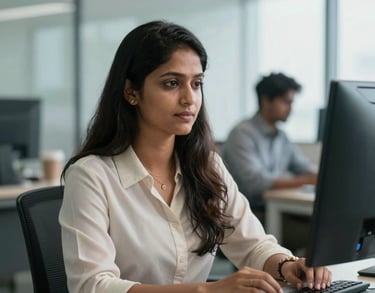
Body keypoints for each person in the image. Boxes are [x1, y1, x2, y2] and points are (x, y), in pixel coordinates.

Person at [59, 21, 330, 293]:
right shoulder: (90, 176)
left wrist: (287, 265)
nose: (190, 99)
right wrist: (206, 291)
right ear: (131, 92)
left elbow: (253, 245)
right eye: (172, 83)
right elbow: (92, 286)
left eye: (197, 83)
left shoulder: (206, 166)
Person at [222, 73, 317, 213]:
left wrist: (320, 176)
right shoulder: (242, 133)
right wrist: (307, 181)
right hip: (249, 214)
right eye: (286, 102)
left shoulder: (282, 137)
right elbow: (254, 184)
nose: (291, 109)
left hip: (277, 209)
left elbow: (302, 166)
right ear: (266, 101)